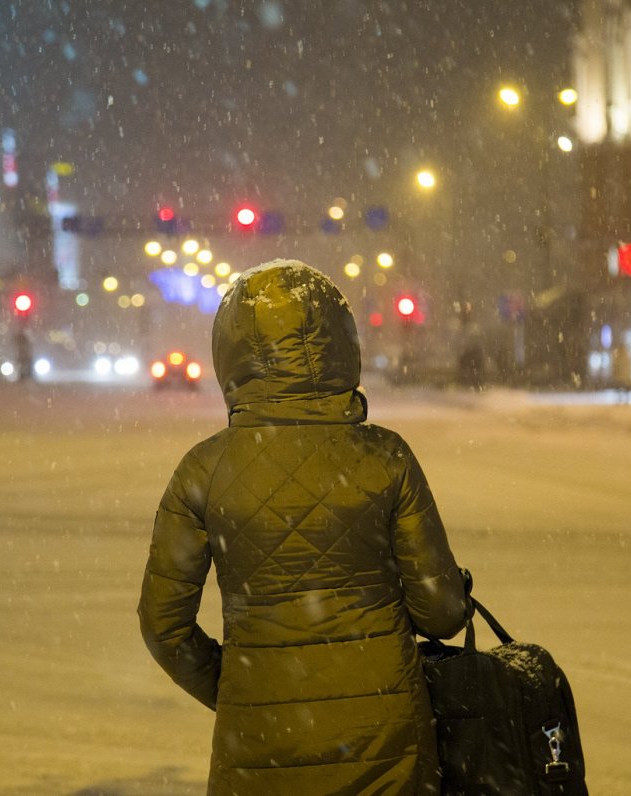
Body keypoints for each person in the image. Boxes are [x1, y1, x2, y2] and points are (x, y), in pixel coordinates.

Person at [138, 259, 470, 795]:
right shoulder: (385, 458)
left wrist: (239, 690)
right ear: (343, 346)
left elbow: (164, 627)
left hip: (258, 751)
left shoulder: (203, 470)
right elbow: (443, 612)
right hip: (386, 748)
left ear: (231, 354)